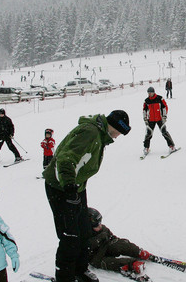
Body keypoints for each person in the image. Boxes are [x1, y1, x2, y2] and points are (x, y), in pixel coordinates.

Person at [42, 110, 131, 282]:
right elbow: (66, 158)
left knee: (84, 231)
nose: (119, 136)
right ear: (114, 125)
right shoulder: (90, 132)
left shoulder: (99, 135)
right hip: (61, 187)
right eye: (120, 131)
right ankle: (65, 277)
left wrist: (75, 187)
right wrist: (69, 187)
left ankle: (80, 271)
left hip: (77, 186)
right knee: (70, 237)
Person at [84, 208, 173, 279]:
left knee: (121, 244)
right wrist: (99, 239)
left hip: (105, 246)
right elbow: (85, 250)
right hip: (95, 257)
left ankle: (140, 253)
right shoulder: (83, 236)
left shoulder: (102, 229)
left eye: (100, 223)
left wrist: (122, 245)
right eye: (96, 225)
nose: (100, 225)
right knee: (107, 262)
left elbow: (113, 238)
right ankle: (129, 265)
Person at [142, 87, 176, 155]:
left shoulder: (160, 98)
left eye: (151, 93)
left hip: (160, 119)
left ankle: (171, 146)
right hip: (151, 120)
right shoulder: (146, 101)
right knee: (148, 134)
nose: (149, 94)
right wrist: (145, 119)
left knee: (164, 132)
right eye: (148, 93)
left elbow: (164, 107)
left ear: (153, 92)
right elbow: (144, 110)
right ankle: (146, 148)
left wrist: (164, 116)